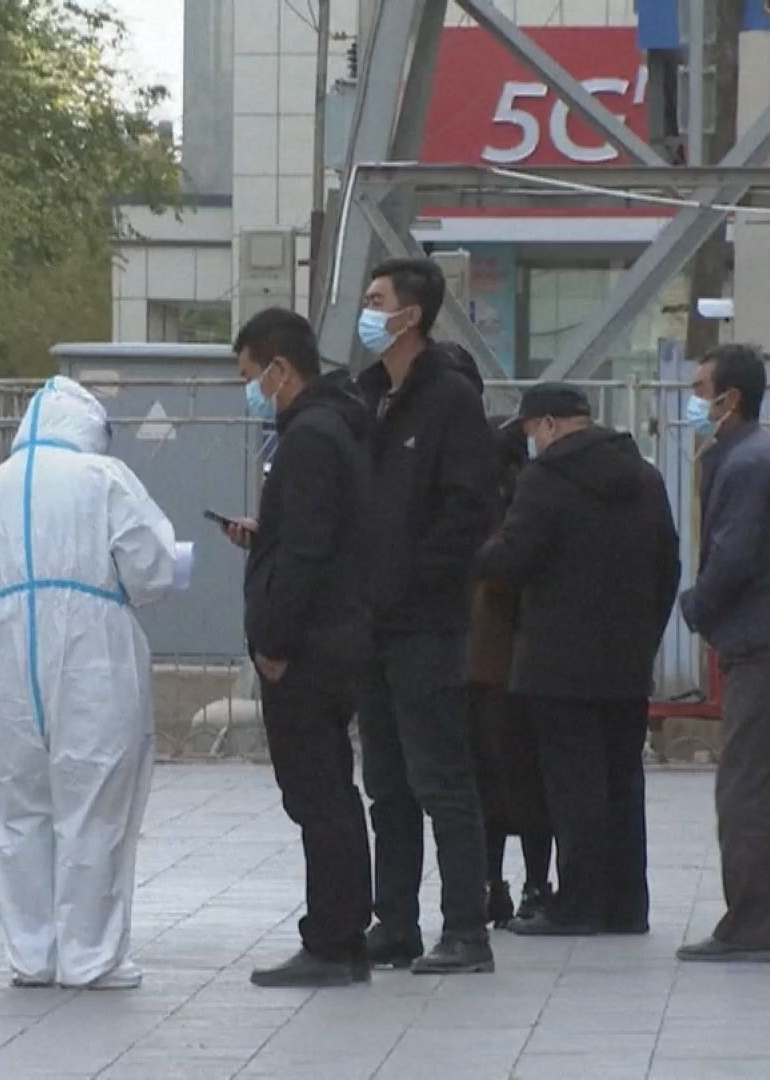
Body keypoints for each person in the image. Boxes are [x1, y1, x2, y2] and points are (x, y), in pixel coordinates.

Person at [0, 376, 178, 991]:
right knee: (96, 796)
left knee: (13, 799)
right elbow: (150, 565)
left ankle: (33, 953)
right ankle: (91, 956)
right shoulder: (105, 480)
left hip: (6, 639)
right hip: (92, 643)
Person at [473, 384, 679, 937]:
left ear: (546, 426)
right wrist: (645, 636)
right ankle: (627, 905)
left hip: (556, 664)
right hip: (626, 662)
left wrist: (475, 552)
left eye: (529, 432)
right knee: (622, 782)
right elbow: (669, 565)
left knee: (573, 786)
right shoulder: (646, 477)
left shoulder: (545, 481)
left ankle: (580, 903)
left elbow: (512, 559)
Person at [351, 258, 499, 975]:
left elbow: (469, 510)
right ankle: (396, 922)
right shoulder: (370, 395)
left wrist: (412, 579)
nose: (366, 310)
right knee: (386, 781)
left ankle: (467, 929)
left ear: (410, 315)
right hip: (371, 623)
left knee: (441, 777)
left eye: (376, 300)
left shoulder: (449, 400)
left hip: (427, 623)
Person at [222, 308, 376, 988]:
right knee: (329, 791)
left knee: (318, 793)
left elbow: (312, 550)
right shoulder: (336, 425)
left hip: (309, 646)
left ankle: (333, 938)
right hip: (337, 632)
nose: (252, 389)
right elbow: (321, 536)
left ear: (281, 369)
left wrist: (275, 640)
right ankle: (343, 932)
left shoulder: (311, 436)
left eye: (252, 376)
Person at [672, 345, 770, 963]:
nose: (695, 399)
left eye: (702, 388)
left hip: (765, 642)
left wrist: (696, 605)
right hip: (768, 640)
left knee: (745, 791)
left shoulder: (749, 461)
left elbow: (734, 554)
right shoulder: (745, 454)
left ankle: (751, 925)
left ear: (729, 398)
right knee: (763, 790)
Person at [468, 416, 553, 928]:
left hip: (481, 665)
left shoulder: (483, 509)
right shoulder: (530, 502)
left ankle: (490, 882)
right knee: (526, 784)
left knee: (484, 784)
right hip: (517, 667)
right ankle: (536, 884)